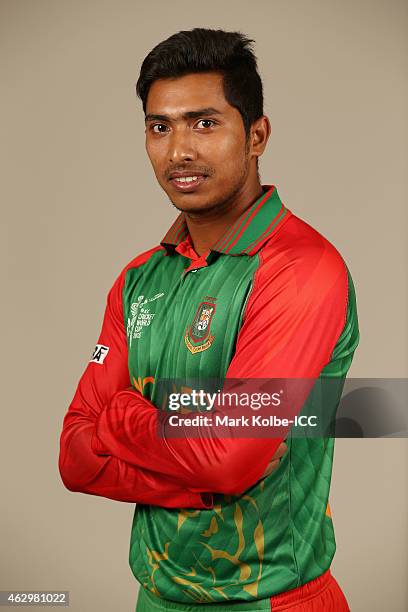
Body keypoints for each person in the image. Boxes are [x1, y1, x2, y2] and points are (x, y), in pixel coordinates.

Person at [58, 28, 359, 611]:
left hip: (274, 600)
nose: (179, 151)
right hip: (155, 597)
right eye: (159, 127)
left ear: (257, 135)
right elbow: (73, 454)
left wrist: (120, 416)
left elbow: (231, 454)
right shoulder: (138, 279)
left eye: (205, 122)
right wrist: (199, 462)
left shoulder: (300, 269)